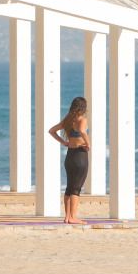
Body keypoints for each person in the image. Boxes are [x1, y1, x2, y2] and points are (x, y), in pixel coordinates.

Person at [48, 96, 91, 225]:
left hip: (70, 156)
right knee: (76, 188)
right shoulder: (82, 119)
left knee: (69, 187)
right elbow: (83, 131)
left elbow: (51, 131)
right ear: (83, 108)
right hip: (80, 155)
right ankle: (73, 217)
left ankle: (67, 217)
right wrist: (88, 144)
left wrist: (64, 142)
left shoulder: (68, 120)